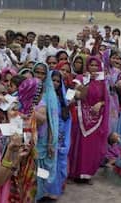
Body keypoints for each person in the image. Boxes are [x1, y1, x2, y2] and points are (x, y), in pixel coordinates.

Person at [69, 56, 109, 183]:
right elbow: (76, 94)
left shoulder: (102, 82)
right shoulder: (80, 79)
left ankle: (86, 174)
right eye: (91, 65)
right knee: (78, 145)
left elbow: (106, 99)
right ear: (87, 66)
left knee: (92, 146)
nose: (93, 68)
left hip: (96, 118)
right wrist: (86, 82)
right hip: (80, 116)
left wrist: (100, 104)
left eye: (96, 65)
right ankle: (75, 173)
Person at [32, 63, 59, 201]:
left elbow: (51, 121)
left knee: (42, 168)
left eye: (43, 73)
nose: (39, 75)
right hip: (29, 137)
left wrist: (50, 143)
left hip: (44, 138)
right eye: (37, 72)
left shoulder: (49, 95)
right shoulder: (28, 89)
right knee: (30, 168)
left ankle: (40, 194)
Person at [44, 70, 71, 200]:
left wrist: (63, 137)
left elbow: (67, 120)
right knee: (45, 164)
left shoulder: (62, 99)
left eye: (57, 81)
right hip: (45, 136)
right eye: (52, 80)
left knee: (58, 163)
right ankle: (43, 191)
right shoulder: (43, 97)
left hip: (59, 136)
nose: (54, 83)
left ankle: (54, 191)